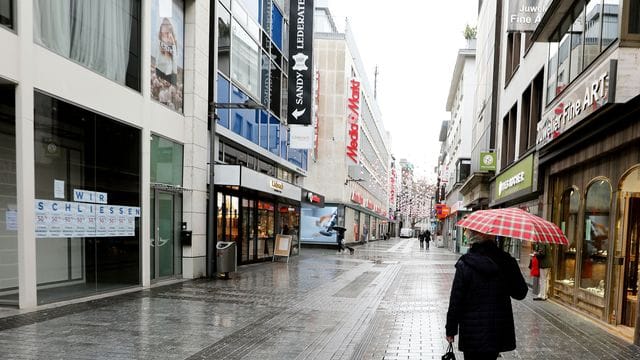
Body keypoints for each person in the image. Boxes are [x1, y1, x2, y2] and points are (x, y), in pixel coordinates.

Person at [445, 229, 528, 360]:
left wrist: (451, 329)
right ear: (493, 236)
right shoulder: (506, 261)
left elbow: (456, 300)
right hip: (496, 332)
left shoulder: (465, 263)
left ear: (473, 238)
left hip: (471, 332)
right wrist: (511, 270)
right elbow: (520, 293)